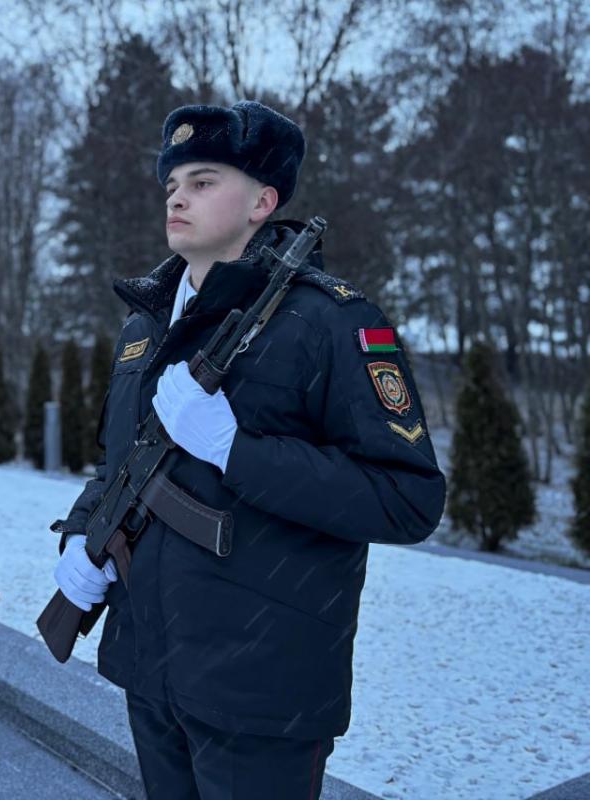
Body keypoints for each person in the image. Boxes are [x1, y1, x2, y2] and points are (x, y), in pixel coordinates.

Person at [49, 100, 447, 799]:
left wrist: (238, 451)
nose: (178, 197)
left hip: (264, 689)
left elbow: (406, 499)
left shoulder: (334, 323)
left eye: (203, 182)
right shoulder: (146, 325)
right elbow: (123, 465)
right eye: (172, 185)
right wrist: (83, 539)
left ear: (264, 200)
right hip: (151, 667)